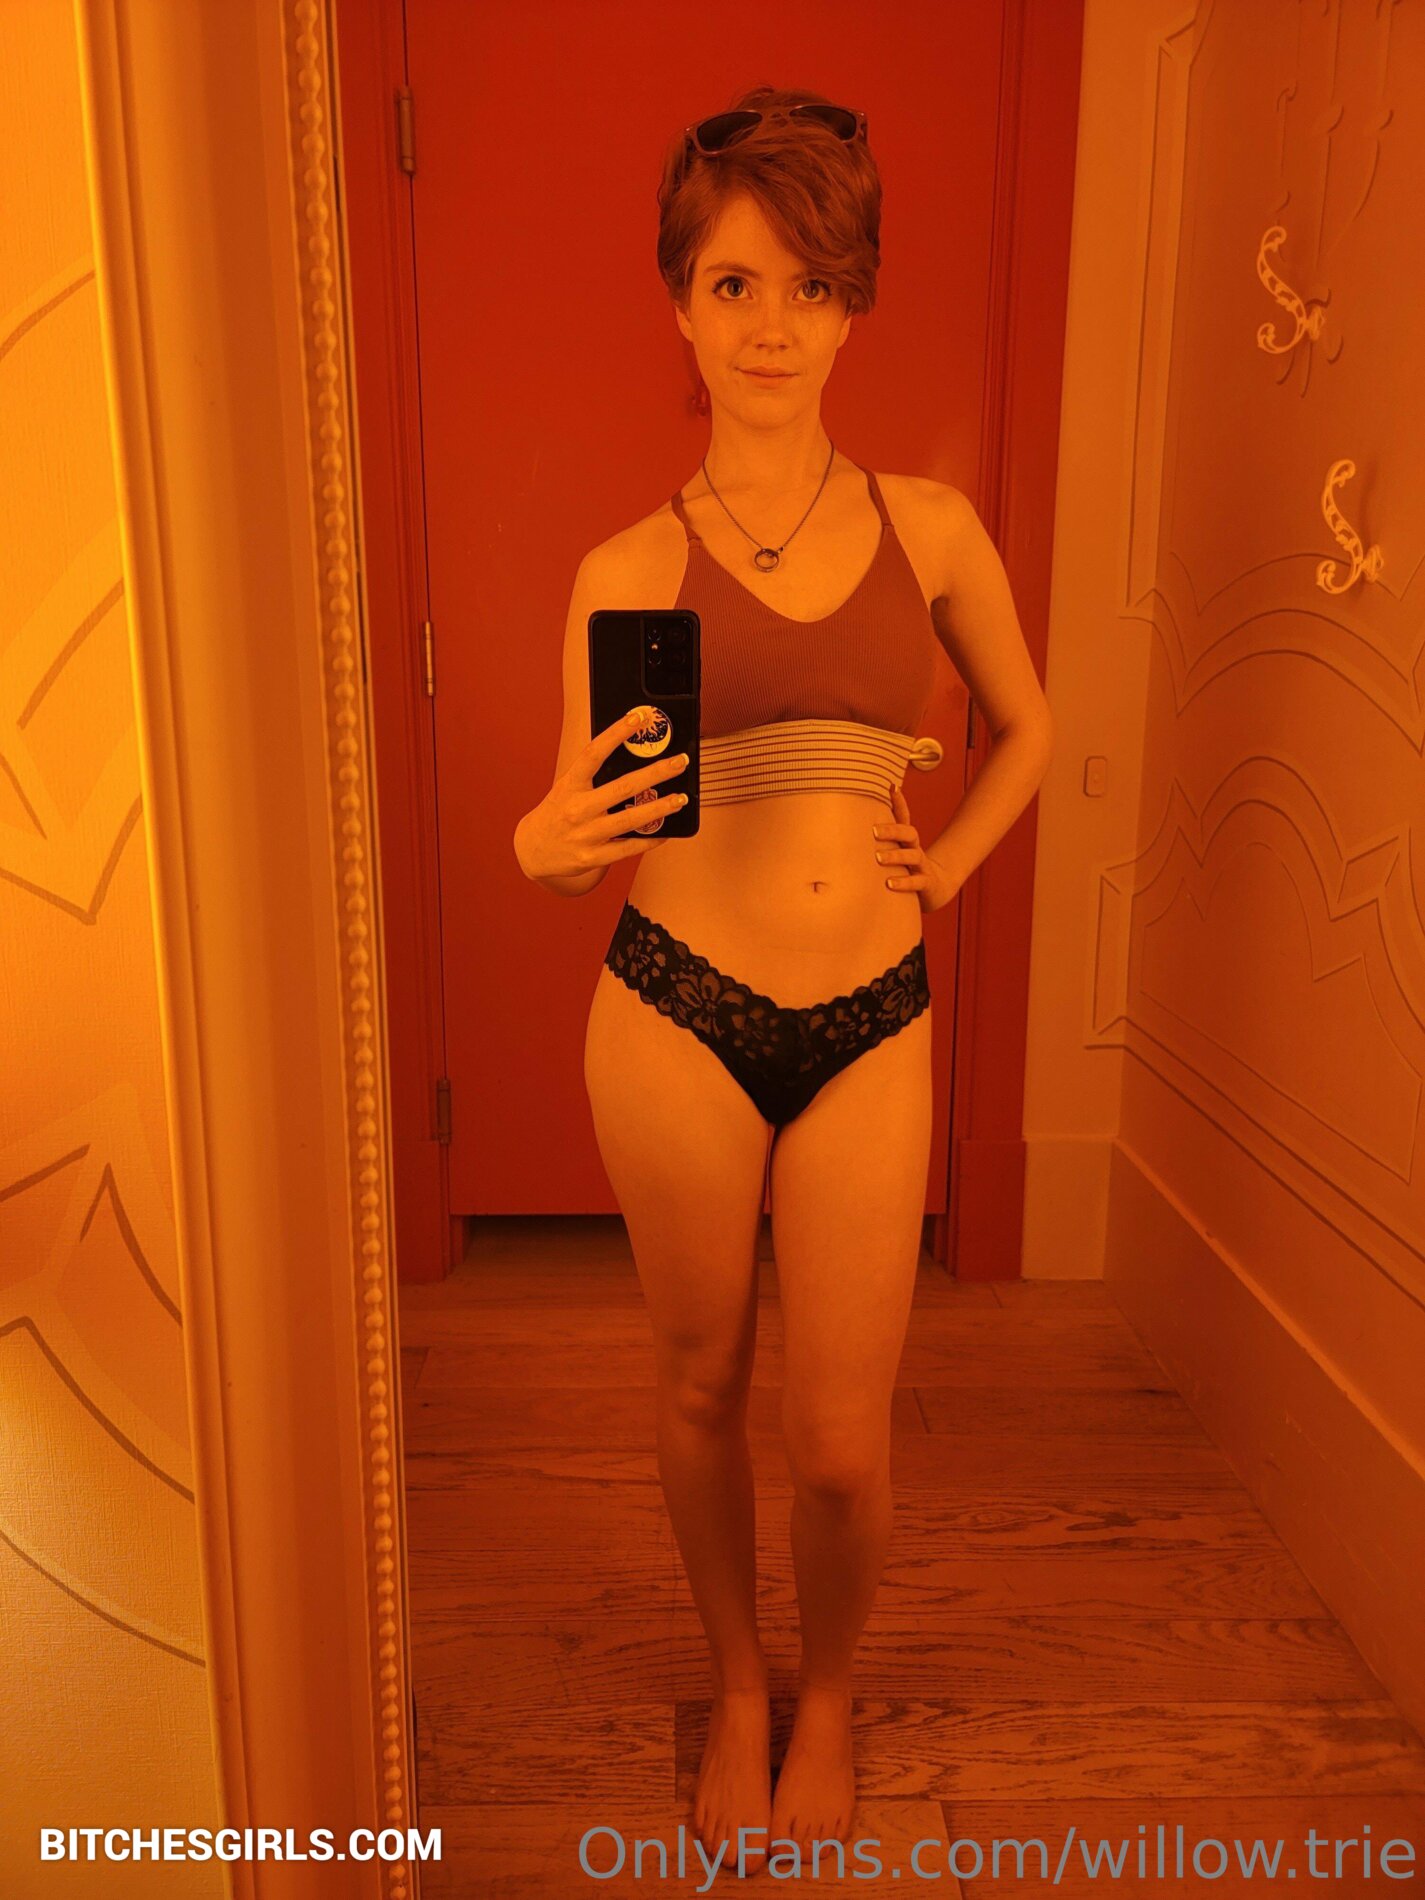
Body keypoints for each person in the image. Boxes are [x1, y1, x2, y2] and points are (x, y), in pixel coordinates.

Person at [513, 85, 1053, 1875]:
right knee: (695, 1381)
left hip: (868, 1018)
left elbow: (1029, 729)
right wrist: (546, 841)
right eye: (734, 284)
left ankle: (829, 1692)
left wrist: (945, 868)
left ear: (852, 306)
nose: (770, 325)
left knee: (834, 1440)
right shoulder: (624, 569)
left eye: (809, 286)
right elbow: (588, 830)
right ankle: (738, 1686)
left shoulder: (933, 527)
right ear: (679, 302)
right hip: (674, 1005)